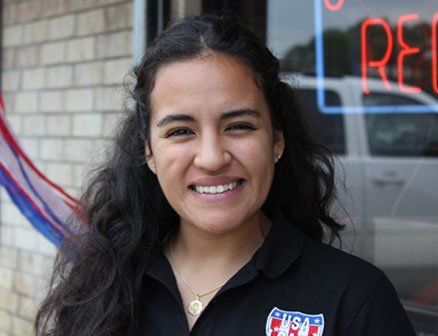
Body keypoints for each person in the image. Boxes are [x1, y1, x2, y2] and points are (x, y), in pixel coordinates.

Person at [35, 16, 416, 336]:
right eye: (181, 131)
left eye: (238, 126)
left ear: (277, 140)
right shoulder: (102, 288)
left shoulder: (354, 300)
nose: (212, 158)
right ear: (149, 152)